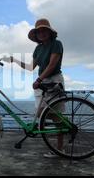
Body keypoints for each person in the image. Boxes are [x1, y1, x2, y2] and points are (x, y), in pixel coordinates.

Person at [9, 18, 65, 158]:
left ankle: (59, 148)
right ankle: (57, 140)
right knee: (42, 114)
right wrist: (15, 61)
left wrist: (39, 79)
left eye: (44, 30)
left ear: (49, 32)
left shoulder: (56, 44)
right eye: (39, 31)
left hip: (53, 81)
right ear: (36, 35)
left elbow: (52, 65)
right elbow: (30, 67)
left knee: (56, 117)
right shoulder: (38, 48)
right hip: (42, 83)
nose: (42, 33)